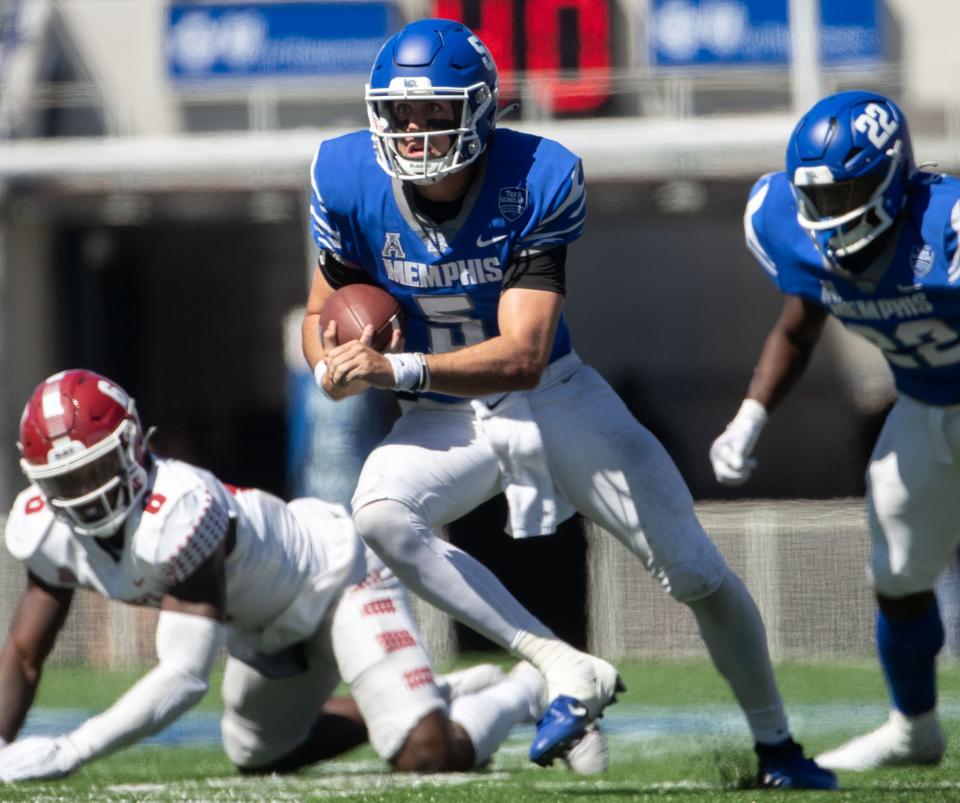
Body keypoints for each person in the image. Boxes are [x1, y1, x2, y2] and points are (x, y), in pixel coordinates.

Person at [301, 17, 835, 788]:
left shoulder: (536, 175)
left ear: (479, 112)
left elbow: (522, 354)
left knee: (695, 572)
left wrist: (396, 370)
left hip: (550, 394)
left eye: (434, 113)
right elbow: (322, 315)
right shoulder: (346, 176)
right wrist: (332, 366)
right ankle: (558, 663)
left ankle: (777, 743)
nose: (413, 134)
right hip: (441, 412)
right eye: (401, 114)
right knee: (378, 512)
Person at [0, 368, 551, 782]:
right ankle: (424, 697)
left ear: (133, 446)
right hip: (264, 628)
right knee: (260, 756)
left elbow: (184, 676)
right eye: (65, 480)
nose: (86, 495)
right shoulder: (44, 530)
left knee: (425, 755)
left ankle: (522, 692)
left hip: (339, 581)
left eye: (94, 470)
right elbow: (25, 653)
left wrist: (71, 750)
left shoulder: (180, 508)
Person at [710, 89, 959, 772]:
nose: (830, 215)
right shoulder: (784, 226)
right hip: (923, 403)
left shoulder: (948, 227)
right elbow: (800, 321)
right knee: (899, 572)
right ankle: (914, 728)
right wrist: (750, 415)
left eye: (848, 191)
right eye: (816, 198)